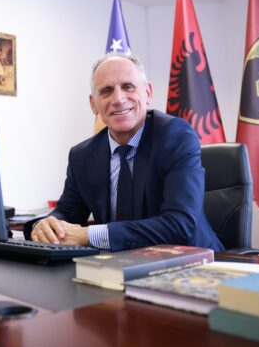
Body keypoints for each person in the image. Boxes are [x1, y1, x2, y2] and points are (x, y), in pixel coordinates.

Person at [27, 53, 224, 252]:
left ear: (147, 93)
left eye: (128, 87)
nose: (118, 99)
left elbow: (179, 225)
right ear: (94, 104)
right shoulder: (82, 156)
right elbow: (66, 214)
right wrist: (45, 226)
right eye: (106, 91)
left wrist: (88, 235)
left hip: (195, 262)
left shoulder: (176, 137)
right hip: (119, 265)